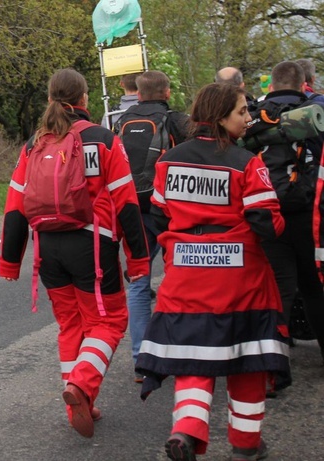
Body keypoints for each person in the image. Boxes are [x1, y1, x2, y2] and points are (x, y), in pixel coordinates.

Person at [135, 83, 291, 461]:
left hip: (186, 276)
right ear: (221, 116)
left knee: (193, 357)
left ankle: (185, 431)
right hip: (241, 280)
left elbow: (158, 214)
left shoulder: (169, 161)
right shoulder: (245, 162)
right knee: (247, 362)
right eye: (241, 112)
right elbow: (266, 223)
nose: (248, 118)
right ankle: (245, 444)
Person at [0, 68, 149, 438]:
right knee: (109, 322)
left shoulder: (34, 143)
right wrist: (139, 258)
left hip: (47, 248)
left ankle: (80, 404)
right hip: (92, 247)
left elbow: (15, 207)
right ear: (83, 100)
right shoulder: (103, 140)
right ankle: (81, 386)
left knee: (70, 325)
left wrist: (9, 260)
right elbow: (127, 204)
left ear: (51, 98)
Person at [112, 70, 189, 381]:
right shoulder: (177, 121)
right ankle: (179, 351)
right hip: (167, 210)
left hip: (131, 209)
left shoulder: (119, 122)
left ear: (138, 94)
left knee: (139, 281)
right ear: (167, 92)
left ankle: (141, 358)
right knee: (178, 280)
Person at [254, 61, 324, 363]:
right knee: (313, 285)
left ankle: (275, 362)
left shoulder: (254, 116)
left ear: (271, 84)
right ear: (302, 83)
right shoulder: (313, 114)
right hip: (309, 212)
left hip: (267, 210)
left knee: (277, 285)